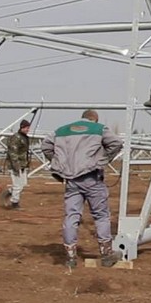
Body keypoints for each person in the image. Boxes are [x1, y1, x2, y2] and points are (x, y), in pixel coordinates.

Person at [41, 109, 123, 269]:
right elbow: (117, 143)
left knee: (71, 216)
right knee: (101, 216)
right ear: (95, 119)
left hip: (71, 180)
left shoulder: (61, 131)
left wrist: (59, 163)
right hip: (92, 177)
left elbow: (46, 146)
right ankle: (106, 255)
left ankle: (70, 257)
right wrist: (103, 159)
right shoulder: (99, 129)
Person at [4, 119, 32, 209]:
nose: (28, 129)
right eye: (27, 128)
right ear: (22, 127)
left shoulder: (24, 137)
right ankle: (14, 203)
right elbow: (13, 153)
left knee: (22, 184)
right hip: (15, 165)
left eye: (29, 128)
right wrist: (16, 166)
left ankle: (9, 193)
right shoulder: (16, 138)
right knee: (17, 185)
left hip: (23, 165)